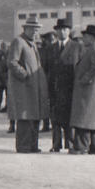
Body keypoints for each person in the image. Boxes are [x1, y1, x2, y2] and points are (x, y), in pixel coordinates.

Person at [7, 16, 49, 153]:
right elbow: (12, 62)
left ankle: (32, 145)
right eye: (32, 29)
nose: (35, 32)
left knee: (34, 117)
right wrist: (25, 75)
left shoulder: (32, 44)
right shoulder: (19, 42)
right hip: (25, 88)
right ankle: (23, 146)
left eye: (37, 29)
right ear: (25, 29)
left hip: (35, 88)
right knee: (25, 117)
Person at [69, 24, 95, 155]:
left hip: (87, 91)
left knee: (83, 118)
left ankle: (80, 147)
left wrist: (84, 79)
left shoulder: (94, 49)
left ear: (91, 37)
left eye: (85, 36)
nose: (83, 39)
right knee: (94, 119)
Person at [42, 19, 76, 151]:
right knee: (55, 118)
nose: (62, 32)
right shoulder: (50, 48)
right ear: (56, 31)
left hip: (70, 89)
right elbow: (46, 68)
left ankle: (70, 143)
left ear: (69, 31)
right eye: (60, 29)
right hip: (54, 88)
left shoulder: (76, 47)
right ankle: (56, 144)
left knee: (69, 117)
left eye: (65, 29)